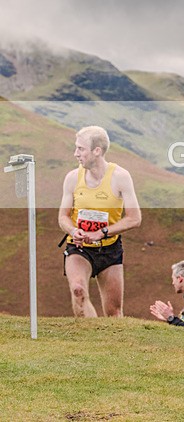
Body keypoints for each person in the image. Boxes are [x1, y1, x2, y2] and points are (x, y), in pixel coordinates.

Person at [58, 126, 142, 318]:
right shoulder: (72, 178)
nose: (75, 154)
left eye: (81, 149)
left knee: (114, 312)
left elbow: (134, 218)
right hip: (79, 248)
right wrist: (72, 231)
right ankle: (90, 340)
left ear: (97, 151)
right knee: (78, 291)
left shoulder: (120, 177)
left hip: (109, 249)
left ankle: (112, 345)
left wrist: (102, 233)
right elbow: (62, 217)